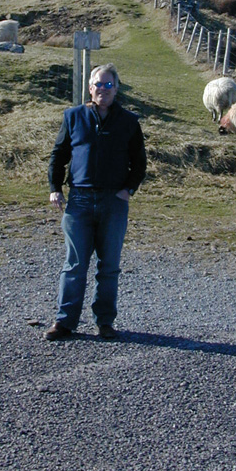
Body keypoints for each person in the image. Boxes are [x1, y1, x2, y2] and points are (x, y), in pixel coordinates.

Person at [45, 63, 147, 341]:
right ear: (90, 88)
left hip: (114, 202)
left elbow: (139, 163)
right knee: (74, 264)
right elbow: (59, 154)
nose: (103, 89)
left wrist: (128, 190)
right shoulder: (73, 117)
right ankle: (65, 322)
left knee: (109, 265)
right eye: (98, 84)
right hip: (78, 201)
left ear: (116, 88)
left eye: (108, 85)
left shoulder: (129, 122)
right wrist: (55, 187)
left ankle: (104, 322)